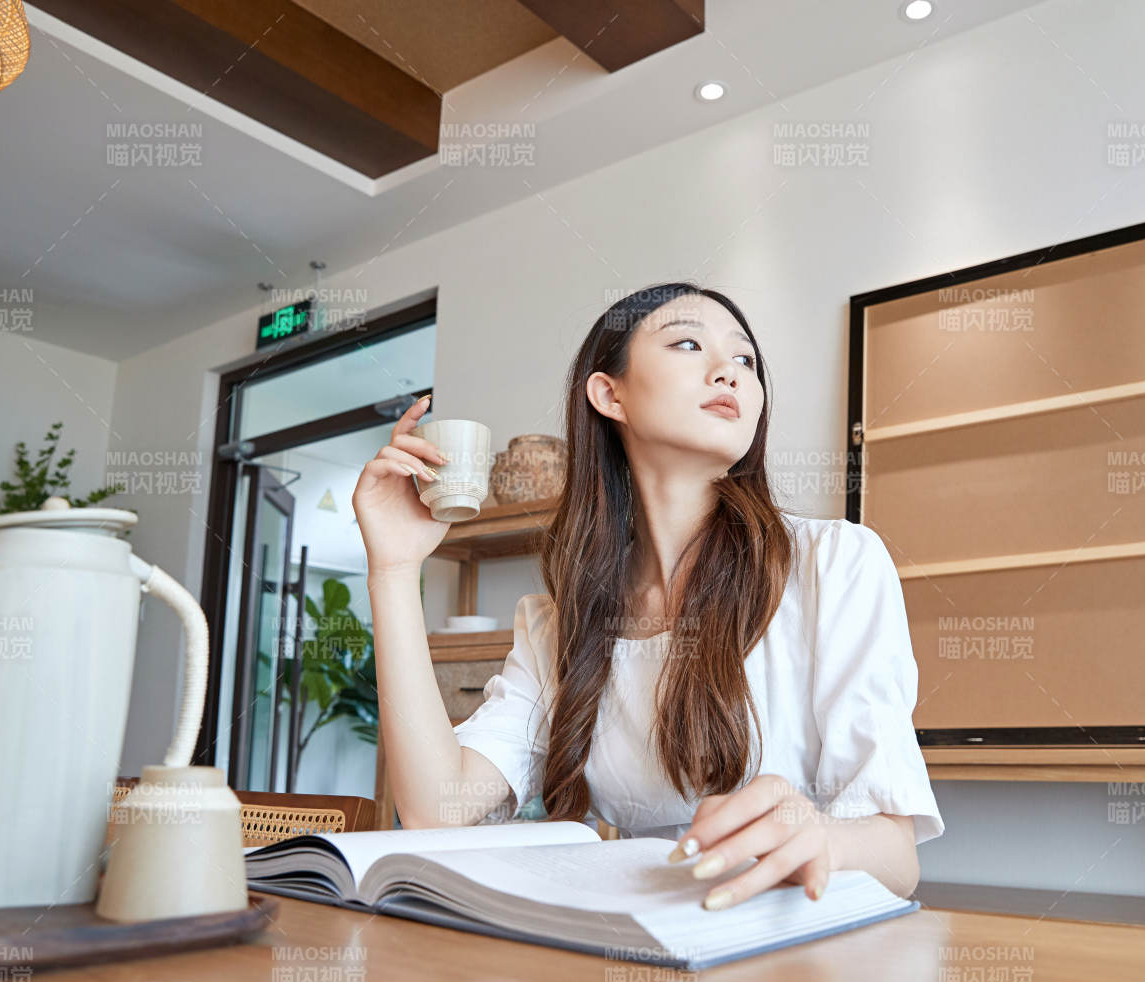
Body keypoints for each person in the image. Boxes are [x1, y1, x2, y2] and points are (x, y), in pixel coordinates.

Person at [351, 281, 943, 911]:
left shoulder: (836, 565)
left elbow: (896, 858)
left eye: (746, 360)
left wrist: (819, 836)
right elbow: (435, 809)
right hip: (639, 950)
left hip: (800, 954)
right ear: (610, 394)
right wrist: (391, 568)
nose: (730, 373)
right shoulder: (559, 623)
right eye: (689, 343)